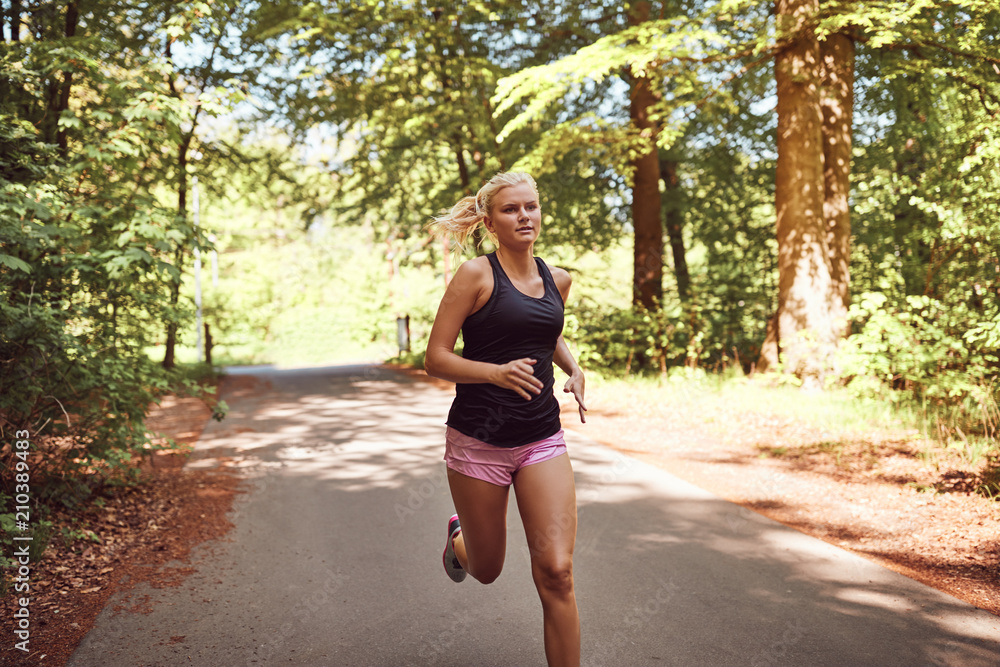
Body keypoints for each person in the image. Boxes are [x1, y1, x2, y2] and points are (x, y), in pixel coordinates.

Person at [424, 171, 587, 667]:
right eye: (512, 209)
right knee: (488, 568)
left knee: (557, 571)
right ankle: (460, 540)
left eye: (531, 207)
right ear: (491, 222)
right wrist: (494, 373)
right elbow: (435, 358)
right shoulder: (476, 275)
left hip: (541, 436)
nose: (525, 217)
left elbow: (542, 331)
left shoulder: (557, 278)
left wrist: (575, 367)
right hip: (479, 439)